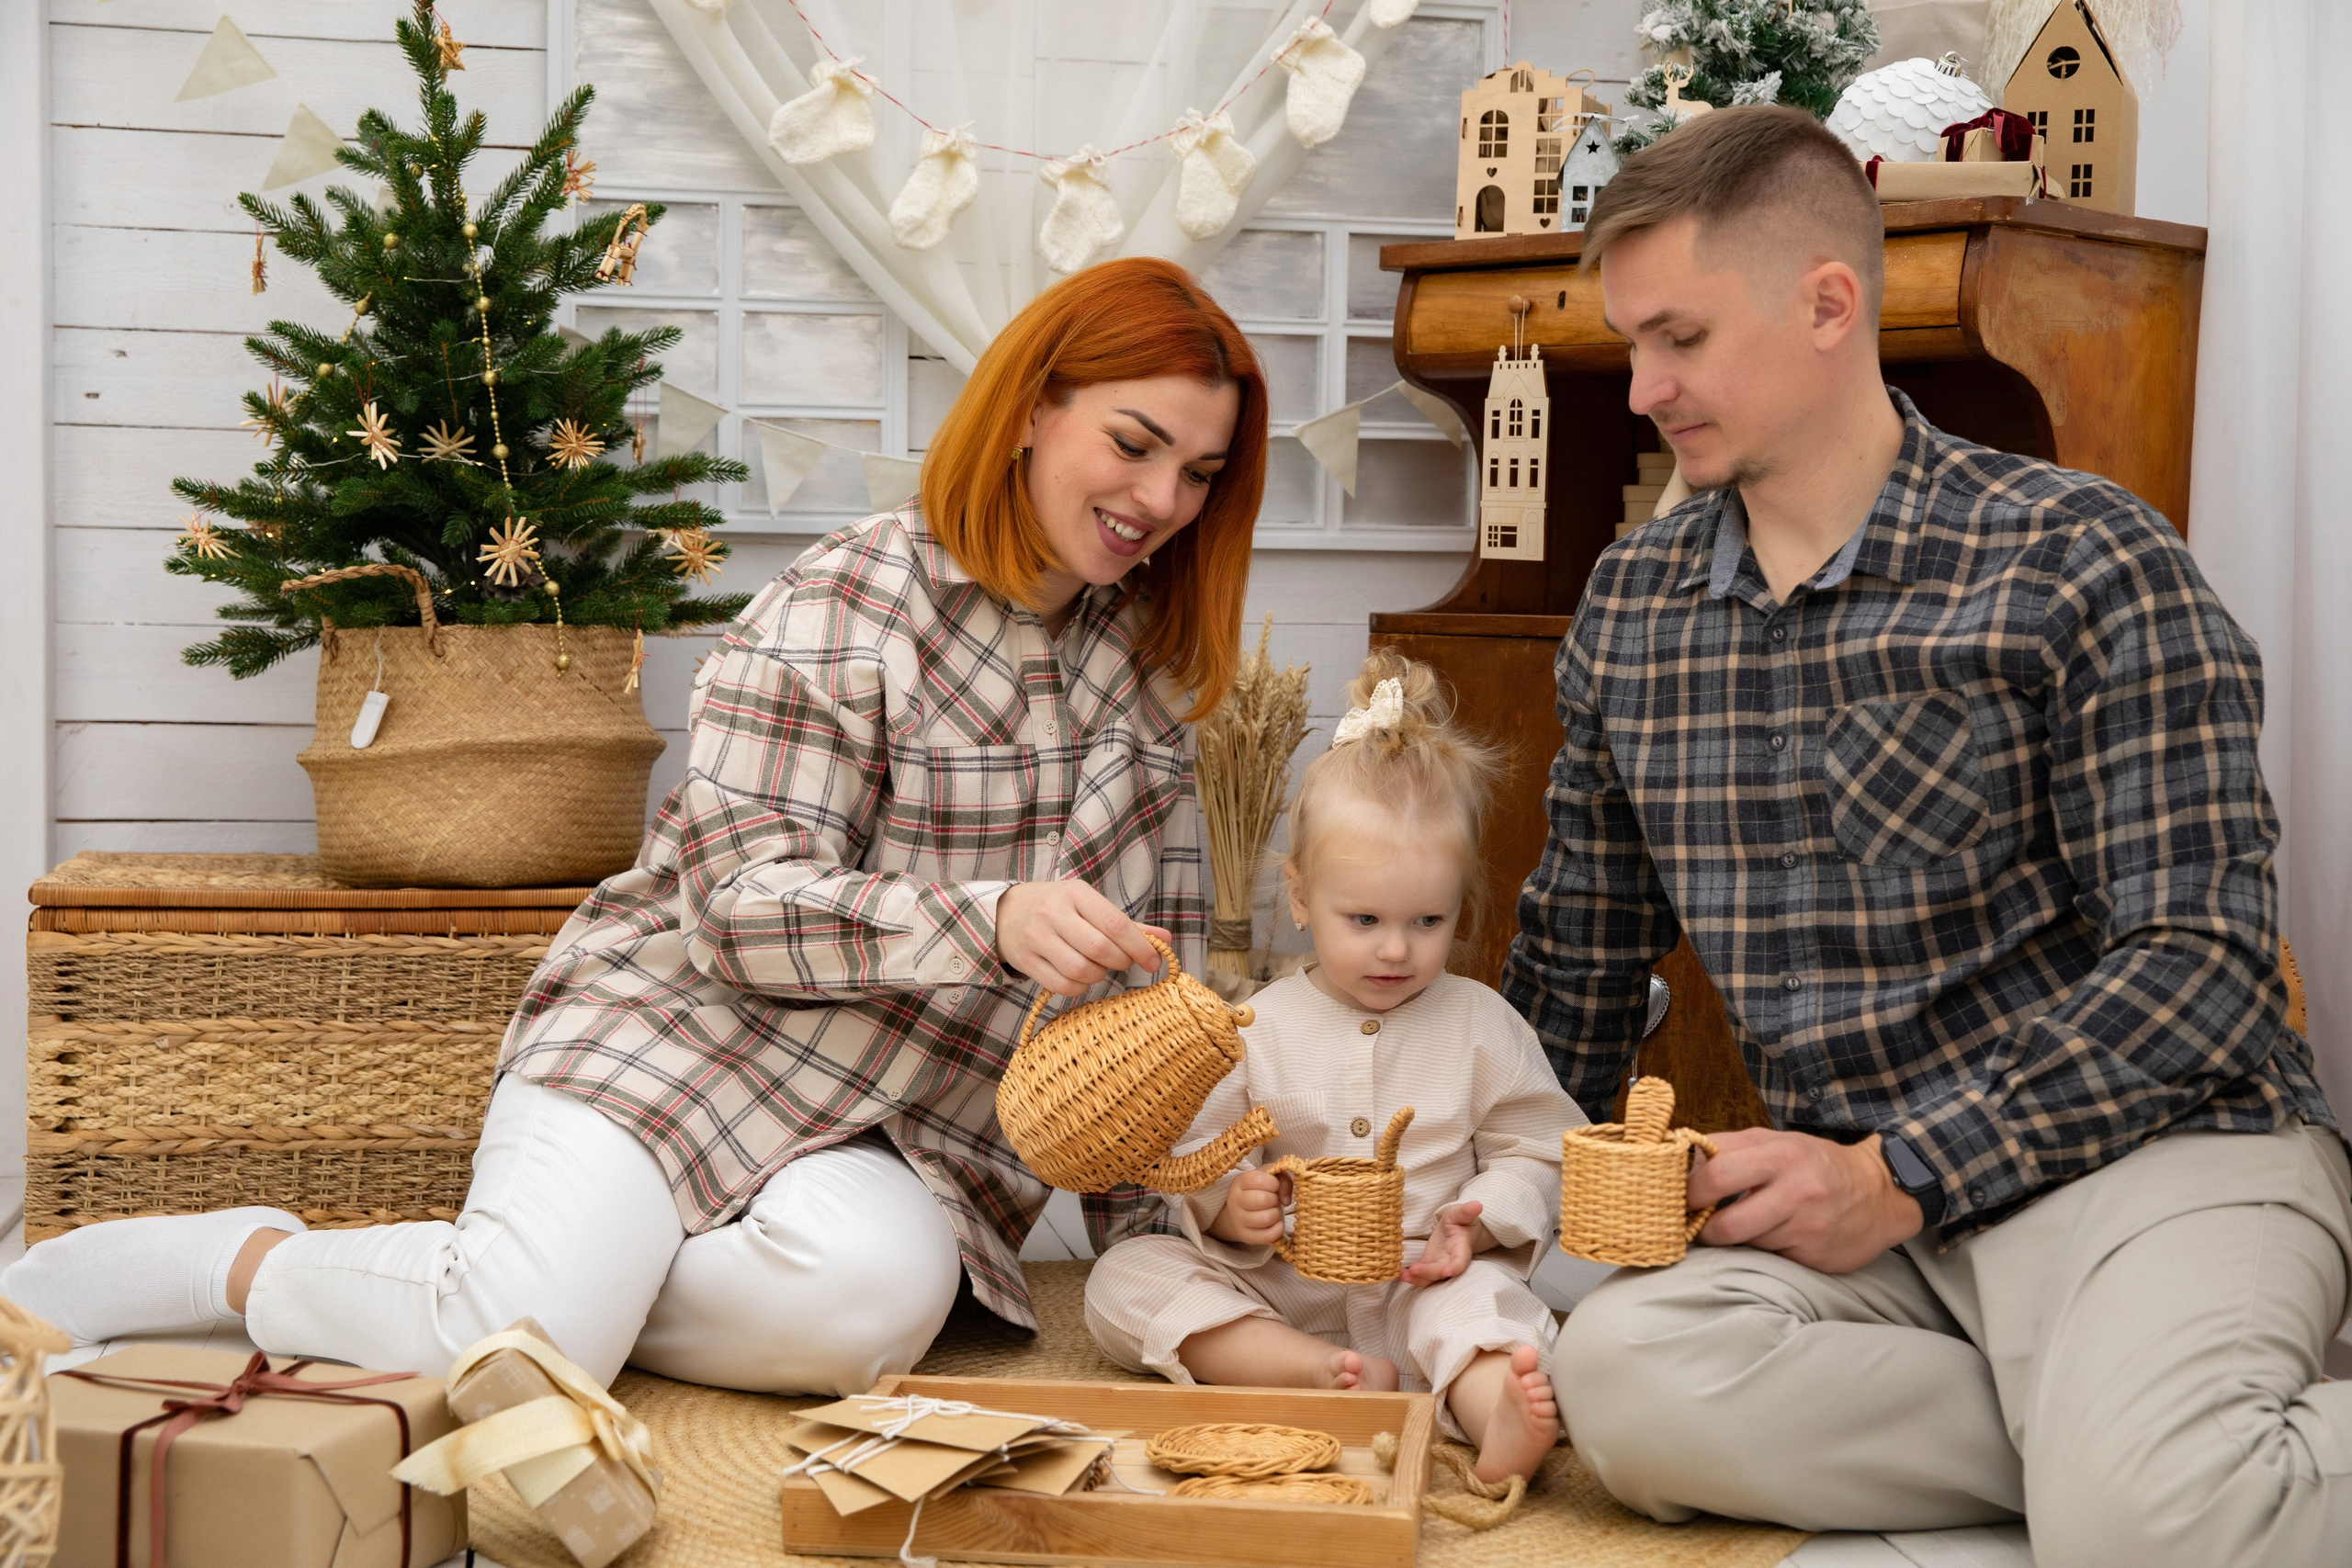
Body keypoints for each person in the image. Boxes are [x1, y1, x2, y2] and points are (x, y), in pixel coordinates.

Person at [5, 256, 1270, 1395]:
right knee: (494, 1334)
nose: (1160, 497)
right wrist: (987, 917)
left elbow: (1127, 1012)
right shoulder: (850, 597)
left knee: (871, 1309)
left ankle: (550, 1290)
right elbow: (736, 910)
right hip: (679, 1037)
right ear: (1036, 408)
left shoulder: (1147, 686)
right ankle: (237, 1262)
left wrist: (1175, 1248)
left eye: (1199, 473)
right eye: (1136, 442)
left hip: (893, 1129)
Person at [1500, 106, 2350, 1564]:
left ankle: (2141, 1460)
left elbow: (2202, 968)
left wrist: (1901, 1167)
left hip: (2154, 1159)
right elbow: (1579, 954)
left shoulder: (2087, 559)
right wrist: (1490, 1197)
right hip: (1870, 1218)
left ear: (1831, 302)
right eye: (1632, 343)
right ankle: (2097, 1436)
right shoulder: (1634, 606)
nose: (1642, 388)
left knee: (2162, 1525)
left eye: (1680, 338)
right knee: (1623, 1379)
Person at [1087, 650, 1581, 1485]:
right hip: (1283, 1291)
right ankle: (1309, 1370)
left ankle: (1494, 1402)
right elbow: (1199, 1152)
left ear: (1462, 903)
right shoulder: (1252, 1024)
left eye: (1430, 918)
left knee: (1489, 1312)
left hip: (1423, 1281)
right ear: (1301, 896)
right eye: (1365, 918)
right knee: (1125, 1277)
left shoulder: (1481, 1023)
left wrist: (1481, 1216)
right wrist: (1227, 1201)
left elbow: (1542, 1147)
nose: (1396, 948)